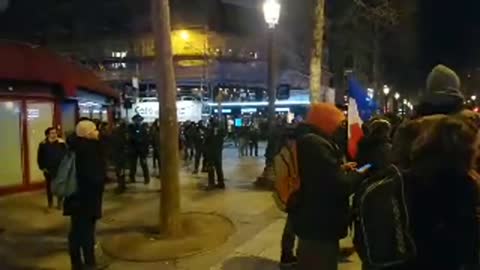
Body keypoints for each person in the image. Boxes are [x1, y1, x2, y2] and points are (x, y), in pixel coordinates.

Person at [290, 103, 362, 270]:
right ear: (325, 122)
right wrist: (358, 175)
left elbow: (319, 174)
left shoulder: (311, 140)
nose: (338, 128)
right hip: (318, 224)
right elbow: (338, 185)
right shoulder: (314, 144)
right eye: (337, 123)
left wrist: (339, 168)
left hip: (314, 222)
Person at [64, 120, 106, 270]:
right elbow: (92, 176)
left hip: (75, 197)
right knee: (86, 232)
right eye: (95, 130)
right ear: (88, 133)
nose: (97, 132)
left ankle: (77, 263)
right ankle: (89, 263)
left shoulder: (74, 146)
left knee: (76, 231)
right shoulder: (88, 150)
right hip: (86, 198)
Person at [37, 127, 67, 209]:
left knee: (60, 186)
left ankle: (59, 203)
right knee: (49, 187)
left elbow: (66, 154)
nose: (54, 135)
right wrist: (42, 167)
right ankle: (50, 203)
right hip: (48, 169)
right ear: (47, 134)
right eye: (52, 133)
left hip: (60, 168)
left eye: (55, 133)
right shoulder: (43, 144)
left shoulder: (61, 143)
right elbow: (40, 157)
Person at [128, 114, 150, 185]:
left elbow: (146, 140)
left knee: (144, 164)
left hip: (142, 150)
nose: (138, 121)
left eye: (139, 120)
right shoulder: (130, 128)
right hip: (133, 149)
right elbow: (129, 138)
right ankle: (132, 177)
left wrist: (146, 150)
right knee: (133, 165)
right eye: (136, 120)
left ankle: (147, 178)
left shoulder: (144, 129)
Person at [205, 118, 226, 189]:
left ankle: (211, 183)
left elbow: (206, 139)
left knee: (210, 167)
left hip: (211, 151)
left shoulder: (210, 131)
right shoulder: (221, 131)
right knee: (218, 167)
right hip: (218, 151)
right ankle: (221, 182)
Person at [110, 120, 129, 193]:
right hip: (121, 155)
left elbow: (116, 145)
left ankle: (121, 186)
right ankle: (122, 185)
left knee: (119, 171)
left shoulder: (117, 134)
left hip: (119, 155)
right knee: (121, 171)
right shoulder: (124, 133)